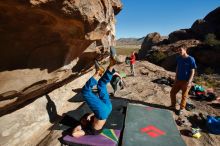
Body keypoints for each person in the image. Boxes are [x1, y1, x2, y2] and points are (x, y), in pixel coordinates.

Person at [72, 47, 119, 137]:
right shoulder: (88, 131)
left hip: (108, 109)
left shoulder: (91, 122)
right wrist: (79, 126)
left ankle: (112, 64)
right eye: (83, 120)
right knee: (85, 91)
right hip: (103, 112)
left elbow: (94, 117)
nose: (84, 120)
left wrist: (89, 115)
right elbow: (74, 134)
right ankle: (98, 72)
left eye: (83, 120)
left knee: (101, 84)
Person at [169, 44, 197, 115]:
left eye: (180, 50)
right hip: (178, 80)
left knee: (184, 96)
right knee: (172, 93)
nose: (179, 51)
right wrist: (176, 77)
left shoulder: (191, 59)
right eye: (178, 50)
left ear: (185, 50)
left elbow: (192, 71)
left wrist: (190, 81)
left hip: (186, 81)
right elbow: (178, 67)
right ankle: (173, 105)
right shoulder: (179, 58)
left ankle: (181, 108)